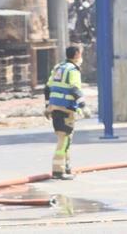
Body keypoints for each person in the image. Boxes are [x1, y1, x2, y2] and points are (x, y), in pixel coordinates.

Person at [44, 45, 86, 180]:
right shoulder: (73, 70)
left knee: (67, 138)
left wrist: (47, 106)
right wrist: (83, 105)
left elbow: (47, 88)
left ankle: (66, 167)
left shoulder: (58, 67)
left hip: (55, 108)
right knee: (63, 140)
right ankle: (58, 170)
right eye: (81, 54)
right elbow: (74, 89)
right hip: (66, 109)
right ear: (77, 54)